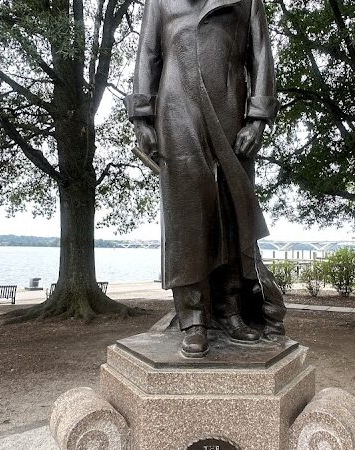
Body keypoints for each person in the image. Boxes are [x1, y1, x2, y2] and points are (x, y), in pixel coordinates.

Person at [127, 0, 285, 358]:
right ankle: (194, 319)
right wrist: (141, 116)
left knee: (232, 216)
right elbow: (148, 53)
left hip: (230, 113)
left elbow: (261, 55)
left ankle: (230, 310)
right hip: (176, 112)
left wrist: (258, 118)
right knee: (186, 219)